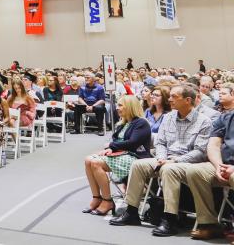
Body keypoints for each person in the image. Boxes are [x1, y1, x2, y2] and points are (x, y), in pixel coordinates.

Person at [109, 84, 213, 236]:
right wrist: (162, 158)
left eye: (174, 97)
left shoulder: (204, 121)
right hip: (165, 158)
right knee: (138, 165)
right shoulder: (169, 117)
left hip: (187, 162)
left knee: (169, 169)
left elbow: (200, 151)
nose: (169, 99)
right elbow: (161, 143)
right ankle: (131, 212)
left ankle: (170, 220)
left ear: (188, 100)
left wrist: (175, 161)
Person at [168, 94, 234, 240]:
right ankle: (209, 224)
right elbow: (214, 144)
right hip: (223, 164)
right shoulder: (225, 118)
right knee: (195, 171)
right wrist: (218, 165)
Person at [82, 96, 151, 216]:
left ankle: (107, 200)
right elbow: (117, 142)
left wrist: (111, 146)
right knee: (88, 160)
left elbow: (133, 143)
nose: (117, 108)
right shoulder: (122, 123)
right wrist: (110, 148)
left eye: (120, 105)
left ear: (130, 107)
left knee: (96, 163)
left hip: (134, 156)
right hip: (120, 154)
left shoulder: (141, 123)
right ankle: (96, 197)